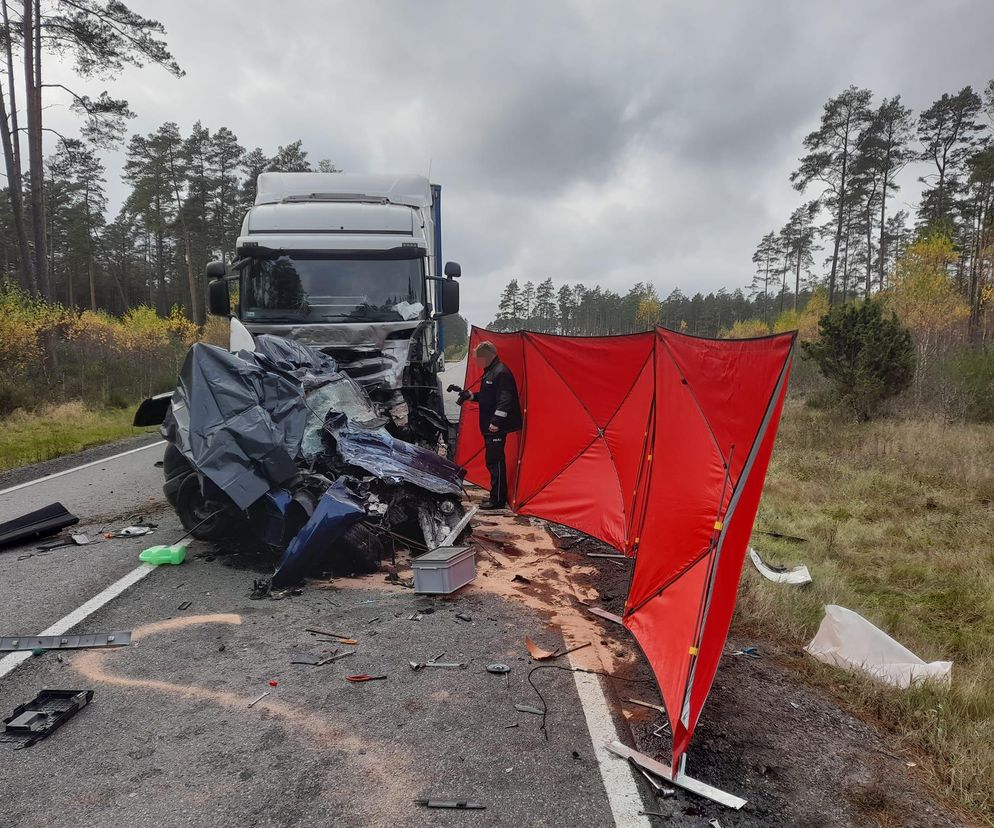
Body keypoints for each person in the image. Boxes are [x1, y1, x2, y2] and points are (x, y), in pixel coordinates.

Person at [456, 341, 521, 509]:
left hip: (495, 427)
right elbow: (487, 397)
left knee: (495, 461)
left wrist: (496, 422)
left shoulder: (501, 372)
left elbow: (506, 399)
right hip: (489, 426)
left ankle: (498, 499)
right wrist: (470, 396)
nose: (477, 361)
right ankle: (495, 494)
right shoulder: (490, 372)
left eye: (479, 358)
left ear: (487, 356)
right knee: (492, 460)